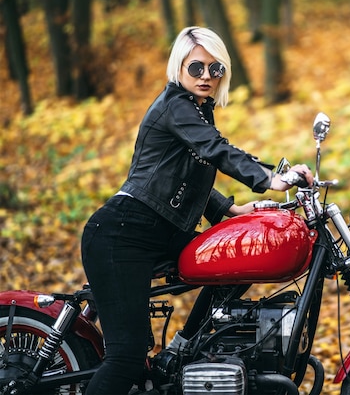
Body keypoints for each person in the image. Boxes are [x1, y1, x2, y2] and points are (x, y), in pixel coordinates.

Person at [80, 26, 313, 395]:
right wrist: (270, 178)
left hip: (159, 230)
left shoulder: (198, 110)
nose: (206, 76)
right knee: (126, 359)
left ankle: (183, 349)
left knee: (241, 258)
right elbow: (215, 150)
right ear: (179, 67)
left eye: (215, 69)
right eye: (197, 68)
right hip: (123, 234)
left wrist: (233, 210)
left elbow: (189, 173)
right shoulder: (176, 105)